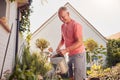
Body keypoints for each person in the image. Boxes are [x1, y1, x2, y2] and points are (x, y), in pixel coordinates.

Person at [56, 6, 86, 80]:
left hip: (79, 54)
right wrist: (58, 47)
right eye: (60, 18)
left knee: (78, 77)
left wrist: (66, 50)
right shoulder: (63, 26)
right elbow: (63, 39)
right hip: (70, 55)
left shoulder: (76, 25)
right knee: (71, 77)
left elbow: (80, 42)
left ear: (68, 14)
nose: (62, 19)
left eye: (63, 17)